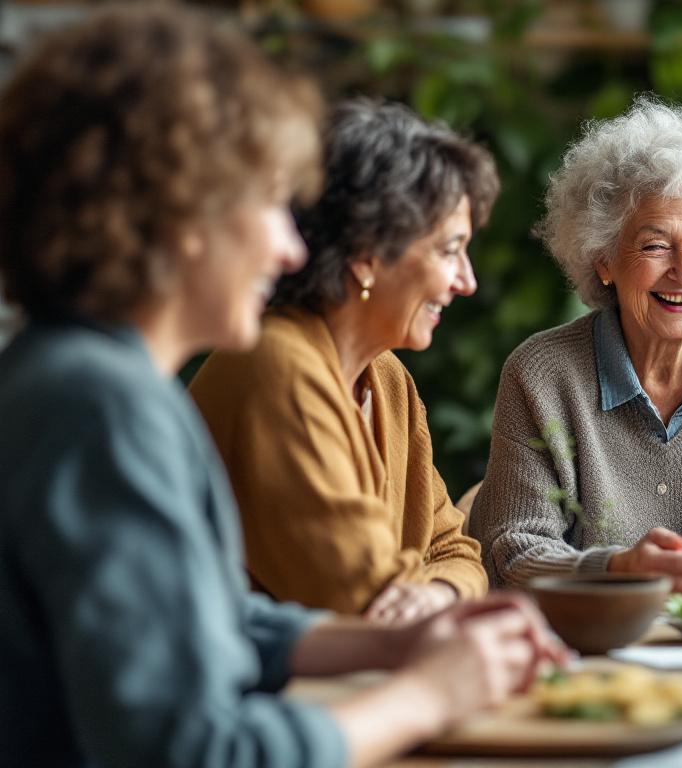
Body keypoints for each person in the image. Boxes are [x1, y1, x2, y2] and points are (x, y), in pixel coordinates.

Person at [0, 8, 561, 766]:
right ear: (178, 210)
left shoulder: (89, 378)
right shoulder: (99, 406)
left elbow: (214, 623)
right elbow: (191, 752)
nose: (291, 245)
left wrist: (402, 638)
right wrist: (429, 693)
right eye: (269, 202)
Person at [468, 97, 682, 598]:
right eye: (655, 246)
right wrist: (618, 568)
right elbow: (513, 549)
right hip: (587, 650)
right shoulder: (542, 374)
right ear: (604, 260)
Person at [190, 99, 491, 624]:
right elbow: (363, 598)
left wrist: (441, 591)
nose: (466, 281)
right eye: (449, 250)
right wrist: (441, 588)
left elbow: (458, 551)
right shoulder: (276, 367)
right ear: (368, 255)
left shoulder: (387, 377)